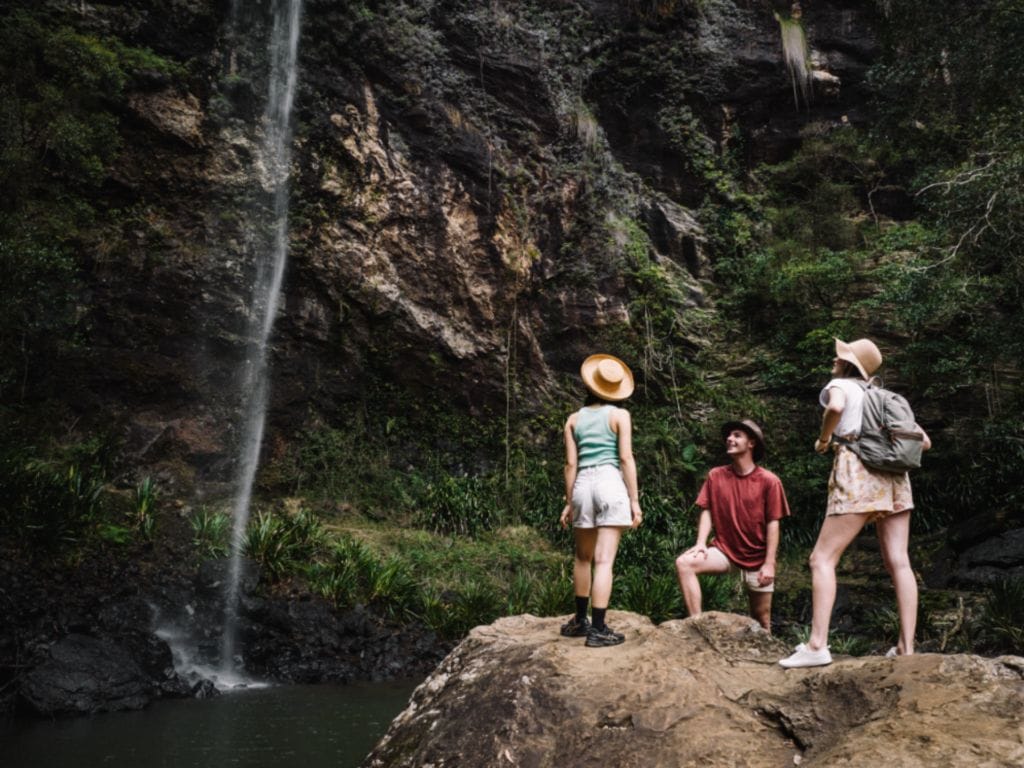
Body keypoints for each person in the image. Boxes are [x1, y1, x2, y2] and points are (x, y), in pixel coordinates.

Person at [780, 338, 931, 668]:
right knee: (899, 561)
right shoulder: (884, 397)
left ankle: (817, 645)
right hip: (894, 480)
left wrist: (824, 439)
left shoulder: (841, 386)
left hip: (859, 471)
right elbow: (925, 442)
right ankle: (906, 647)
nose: (834, 360)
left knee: (822, 558)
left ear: (847, 364)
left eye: (839, 356)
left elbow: (833, 408)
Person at [558, 354, 643, 647]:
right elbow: (625, 458)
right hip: (609, 481)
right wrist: (634, 500)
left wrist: (570, 502)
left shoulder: (572, 419)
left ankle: (579, 621)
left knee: (583, 557)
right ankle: (599, 630)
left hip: (582, 484)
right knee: (604, 561)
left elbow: (570, 465)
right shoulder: (620, 416)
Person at [675, 419, 790, 633]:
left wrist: (770, 563)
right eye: (729, 436)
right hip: (725, 551)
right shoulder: (716, 475)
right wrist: (701, 543)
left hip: (757, 557)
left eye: (737, 435)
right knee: (684, 564)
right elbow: (707, 509)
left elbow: (773, 524)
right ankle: (697, 626)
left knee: (762, 618)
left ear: (751, 443)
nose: (730, 439)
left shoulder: (769, 481)